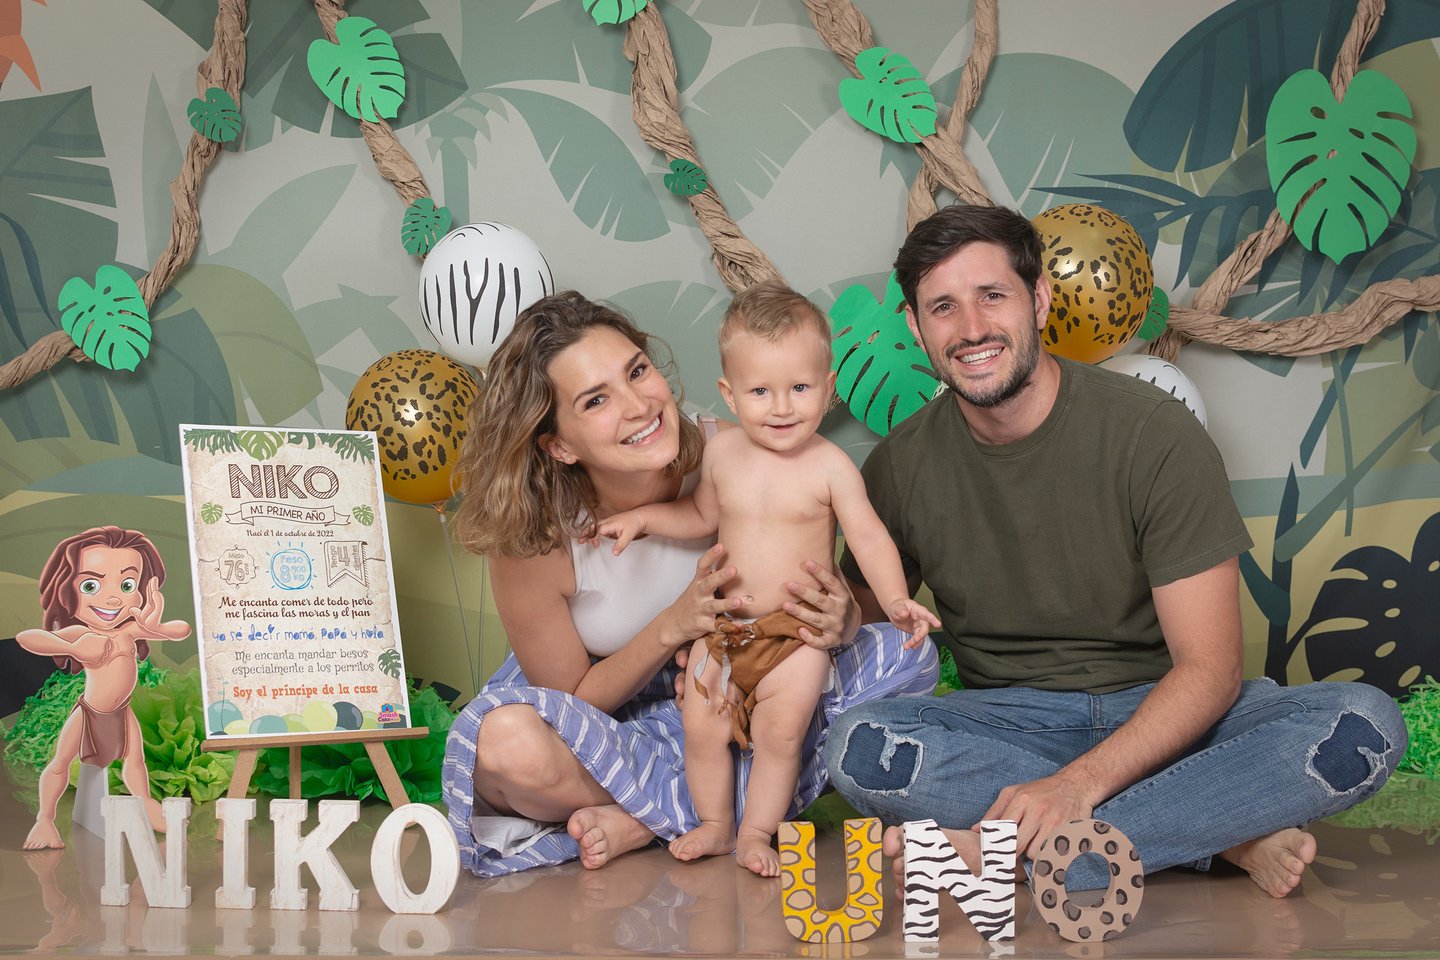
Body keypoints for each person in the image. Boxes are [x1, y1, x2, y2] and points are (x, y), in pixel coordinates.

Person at [821, 204, 1407, 898]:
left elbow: (1211, 671)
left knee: (1362, 727)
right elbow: (859, 619)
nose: (972, 327)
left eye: (992, 296)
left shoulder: (1154, 435)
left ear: (1038, 301)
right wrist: (828, 619)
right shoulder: (901, 464)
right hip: (1012, 724)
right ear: (917, 329)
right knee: (859, 746)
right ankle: (1217, 834)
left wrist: (1077, 787)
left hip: (1162, 718)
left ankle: (1020, 851)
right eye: (943, 307)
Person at [441, 290, 939, 877]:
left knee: (902, 661)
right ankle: (696, 812)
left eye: (637, 371)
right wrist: (674, 625)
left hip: (748, 686)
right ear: (559, 443)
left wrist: (842, 620)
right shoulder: (533, 540)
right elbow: (571, 699)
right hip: (614, 717)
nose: (637, 405)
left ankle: (652, 818)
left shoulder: (738, 446)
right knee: (506, 746)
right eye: (597, 399)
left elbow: (810, 573)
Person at [594, 283, 939, 875]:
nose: (781, 408)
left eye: (800, 388)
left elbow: (868, 536)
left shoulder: (829, 467)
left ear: (828, 390)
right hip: (725, 628)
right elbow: (700, 517)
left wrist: (896, 599)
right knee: (701, 727)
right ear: (730, 394)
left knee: (782, 734)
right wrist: (642, 520)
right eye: (760, 392)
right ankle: (715, 824)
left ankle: (757, 832)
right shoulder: (722, 453)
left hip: (796, 636)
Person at [17, 526, 191, 849]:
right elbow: (27, 638)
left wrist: (155, 628)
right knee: (60, 762)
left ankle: (147, 805)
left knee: (135, 761)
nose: (112, 598)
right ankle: (45, 819)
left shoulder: (129, 631)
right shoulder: (82, 636)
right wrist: (72, 648)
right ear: (69, 592)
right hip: (90, 713)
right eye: (91, 585)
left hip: (122, 714)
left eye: (127, 585)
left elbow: (180, 630)